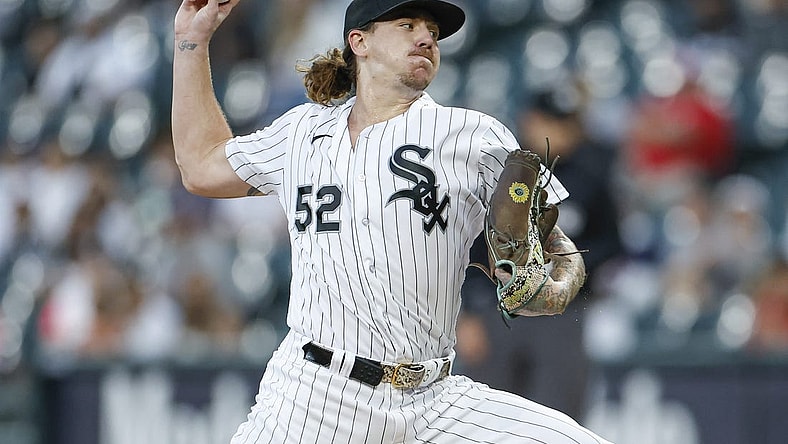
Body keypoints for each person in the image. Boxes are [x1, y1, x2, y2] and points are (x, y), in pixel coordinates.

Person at [171, 0, 611, 442]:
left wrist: (555, 276)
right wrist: (193, 40)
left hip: (433, 401)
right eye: (407, 25)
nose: (426, 38)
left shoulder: (473, 135)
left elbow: (553, 242)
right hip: (312, 396)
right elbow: (201, 167)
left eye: (433, 33)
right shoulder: (301, 133)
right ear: (358, 41)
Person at [456, 84, 623, 420]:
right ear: (530, 121)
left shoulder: (591, 174)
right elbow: (469, 247)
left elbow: (611, 242)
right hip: (497, 309)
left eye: (567, 123)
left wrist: (571, 266)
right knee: (486, 418)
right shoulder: (496, 172)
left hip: (559, 314)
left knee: (558, 415)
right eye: (552, 122)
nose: (561, 132)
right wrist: (469, 314)